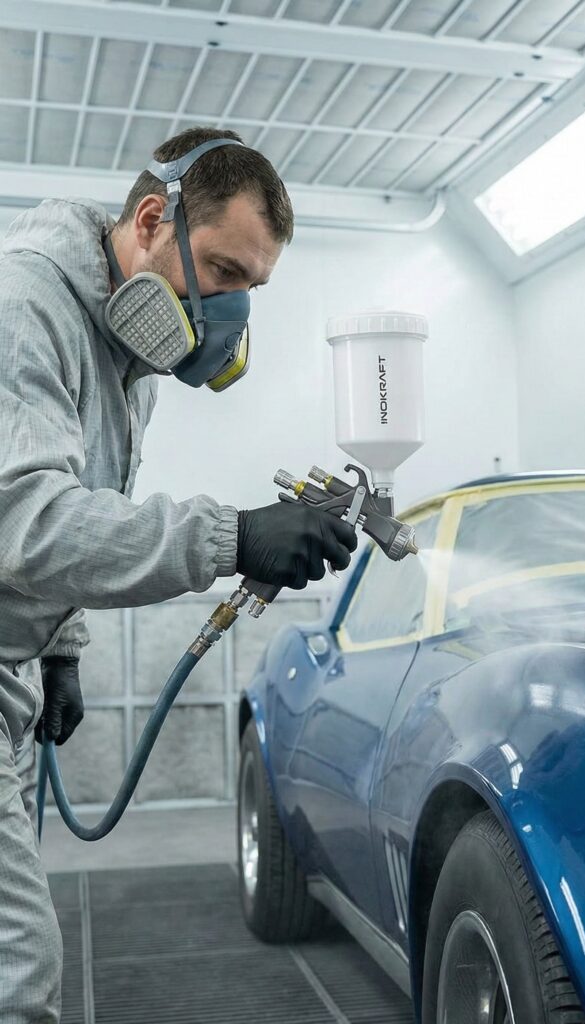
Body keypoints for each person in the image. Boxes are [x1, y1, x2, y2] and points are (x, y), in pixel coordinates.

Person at [0, 125, 357, 1023]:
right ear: (151, 219)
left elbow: (89, 500)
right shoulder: (21, 308)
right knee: (17, 969)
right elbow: (25, 521)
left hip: (11, 667)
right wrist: (231, 536)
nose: (232, 310)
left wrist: (62, 645)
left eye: (253, 287)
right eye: (224, 273)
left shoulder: (137, 358)